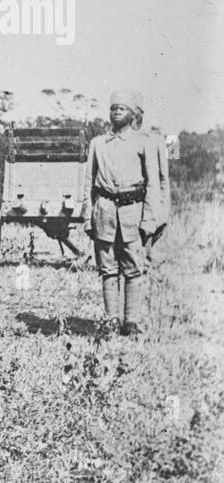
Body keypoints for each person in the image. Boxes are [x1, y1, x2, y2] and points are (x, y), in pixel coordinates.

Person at [84, 91, 161, 335]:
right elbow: (88, 183)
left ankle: (131, 321)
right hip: (104, 212)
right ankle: (111, 320)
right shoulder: (97, 144)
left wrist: (149, 219)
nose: (117, 112)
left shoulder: (143, 142)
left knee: (133, 267)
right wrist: (88, 217)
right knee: (107, 268)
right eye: (114, 108)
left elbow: (152, 185)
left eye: (123, 108)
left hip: (132, 213)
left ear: (133, 114)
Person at [131, 92, 170, 267]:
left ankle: (146, 252)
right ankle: (143, 255)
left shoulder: (157, 135)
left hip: (157, 147)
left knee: (158, 217)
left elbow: (164, 175)